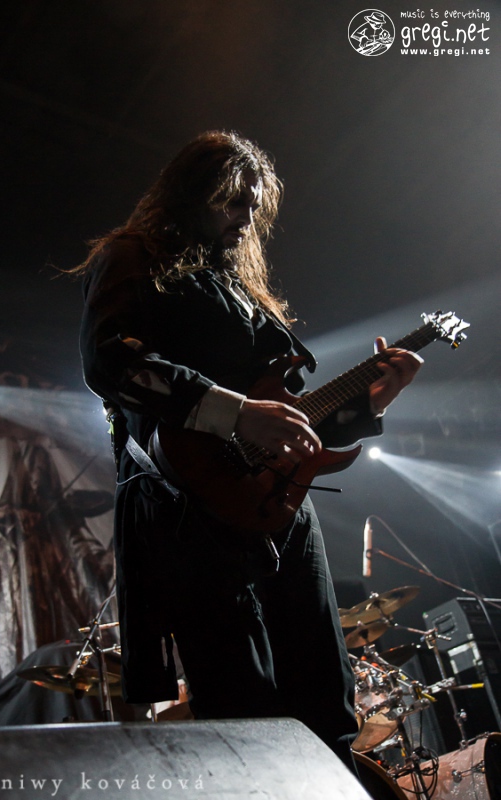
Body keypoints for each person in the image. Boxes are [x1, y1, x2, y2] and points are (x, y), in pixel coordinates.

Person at [77, 131, 422, 769]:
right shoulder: (132, 255)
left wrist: (371, 403)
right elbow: (111, 361)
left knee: (326, 691)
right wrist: (234, 414)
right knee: (242, 703)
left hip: (280, 504)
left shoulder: (238, 286)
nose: (245, 219)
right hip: (189, 506)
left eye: (253, 207)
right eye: (233, 202)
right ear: (192, 194)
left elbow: (291, 423)